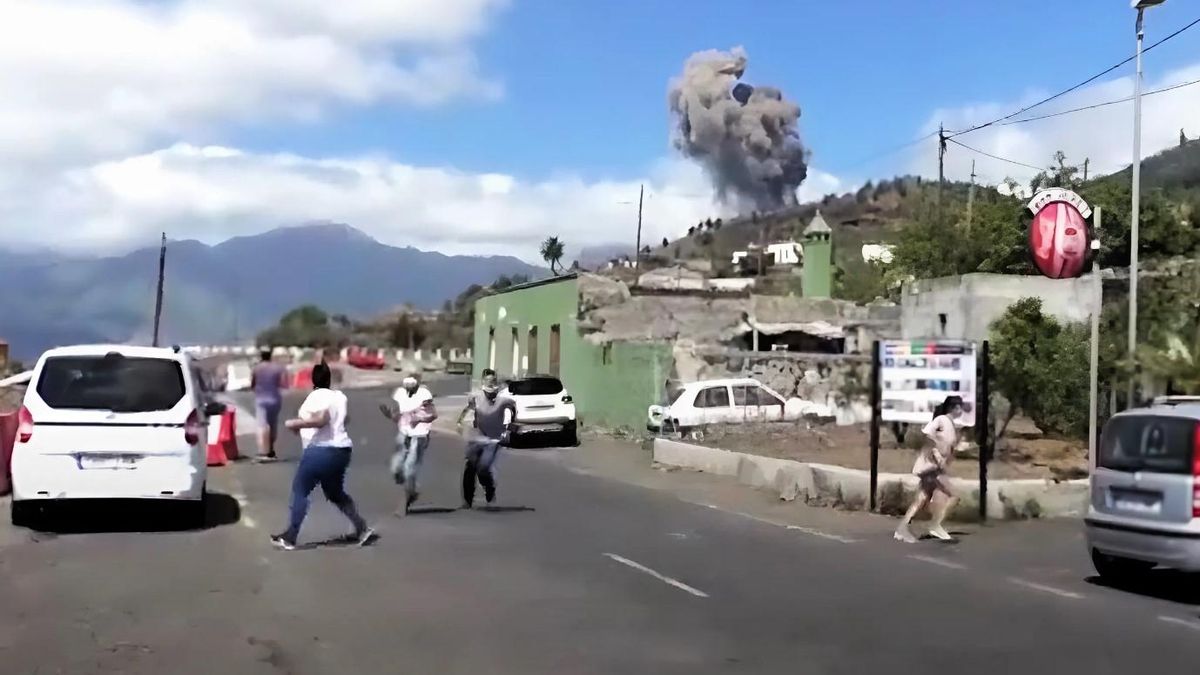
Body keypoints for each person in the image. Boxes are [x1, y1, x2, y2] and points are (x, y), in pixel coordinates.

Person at [271, 361, 376, 551]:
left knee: (300, 490)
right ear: (329, 379)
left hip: (321, 450)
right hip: (341, 450)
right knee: (335, 492)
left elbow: (321, 420)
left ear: (313, 380)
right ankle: (362, 528)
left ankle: (291, 537)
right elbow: (343, 419)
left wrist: (295, 424)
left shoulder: (316, 397)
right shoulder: (339, 397)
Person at [895, 395, 964, 544]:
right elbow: (927, 435)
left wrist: (958, 449)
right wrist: (936, 453)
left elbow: (947, 448)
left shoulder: (951, 424)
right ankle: (935, 525)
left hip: (935, 469)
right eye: (960, 407)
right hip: (930, 468)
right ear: (955, 408)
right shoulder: (941, 420)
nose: (962, 410)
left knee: (922, 498)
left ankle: (902, 529)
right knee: (954, 495)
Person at [455, 369, 515, 509]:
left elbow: (509, 414)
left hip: (493, 439)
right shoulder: (476, 397)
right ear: (483, 381)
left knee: (483, 468)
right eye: (487, 380)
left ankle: (489, 488)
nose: (490, 383)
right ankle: (467, 501)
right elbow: (469, 410)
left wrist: (507, 430)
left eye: (492, 380)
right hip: (477, 436)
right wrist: (460, 422)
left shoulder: (503, 399)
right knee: (470, 467)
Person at [380, 374, 437, 514]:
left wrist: (419, 419)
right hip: (404, 433)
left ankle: (406, 499)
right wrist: (389, 414)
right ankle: (411, 491)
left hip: (419, 435)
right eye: (408, 389)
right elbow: (398, 417)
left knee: (409, 468)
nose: (409, 392)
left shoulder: (424, 395)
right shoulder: (400, 394)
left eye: (412, 389)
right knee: (396, 469)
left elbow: (433, 415)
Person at [250, 348, 289, 462]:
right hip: (275, 399)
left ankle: (263, 452)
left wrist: (257, 388)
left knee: (262, 426)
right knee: (273, 425)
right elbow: (282, 384)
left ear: (261, 356)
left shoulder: (257, 368)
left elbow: (253, 383)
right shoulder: (278, 368)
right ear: (270, 355)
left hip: (261, 399)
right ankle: (271, 450)